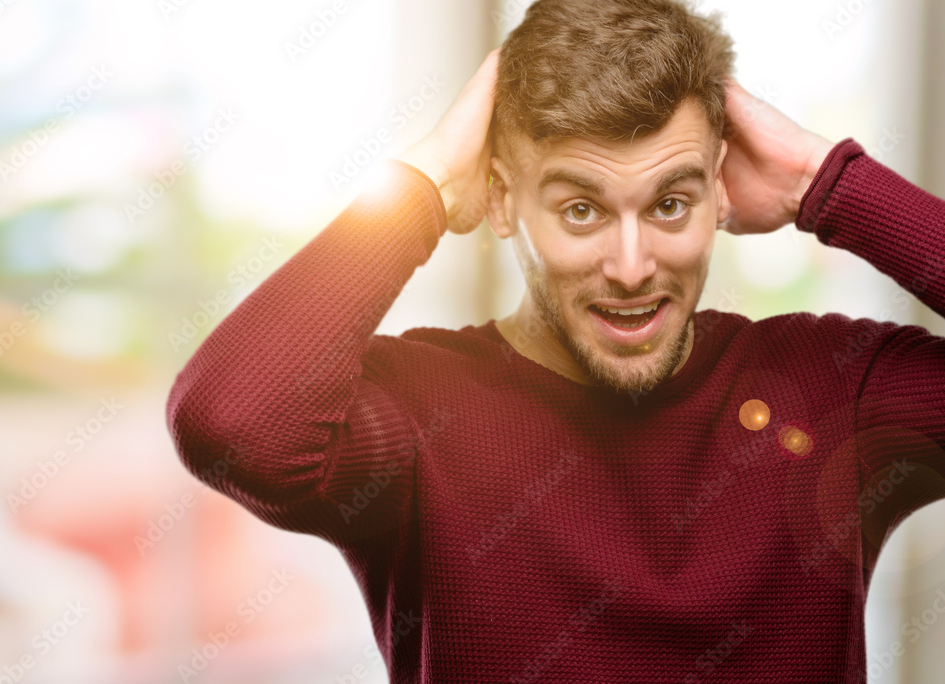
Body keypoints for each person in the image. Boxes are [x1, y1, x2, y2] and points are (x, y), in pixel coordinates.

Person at [166, 0, 945, 681]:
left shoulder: (833, 389)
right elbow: (232, 423)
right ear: (502, 202)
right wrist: (425, 188)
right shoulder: (420, 418)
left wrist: (827, 181)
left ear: (718, 190)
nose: (632, 266)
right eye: (581, 210)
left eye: (671, 203)